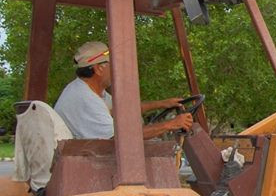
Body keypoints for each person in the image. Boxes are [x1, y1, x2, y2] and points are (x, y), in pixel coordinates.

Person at [54, 41, 194, 140]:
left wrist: (163, 104)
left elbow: (123, 111)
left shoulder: (92, 92)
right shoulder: (84, 98)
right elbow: (123, 138)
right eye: (111, 64)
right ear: (99, 68)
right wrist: (171, 124)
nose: (115, 69)